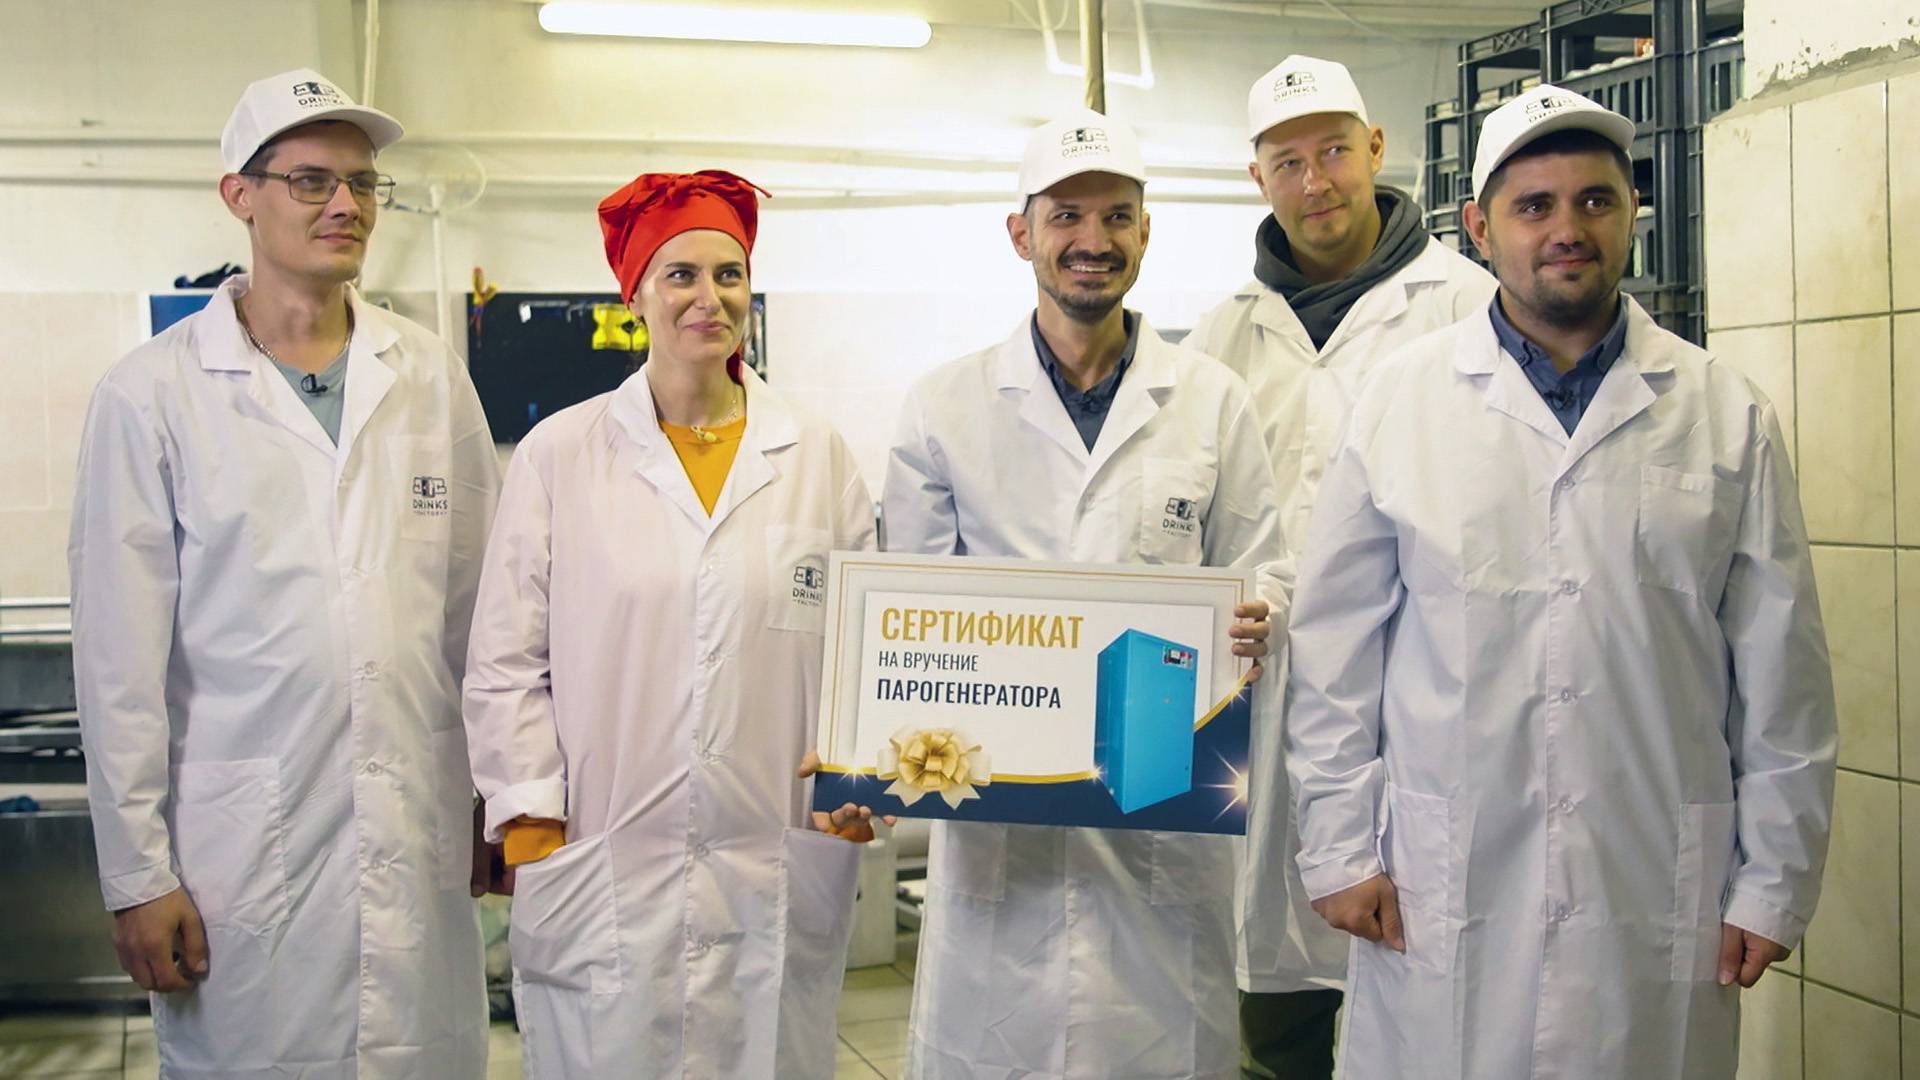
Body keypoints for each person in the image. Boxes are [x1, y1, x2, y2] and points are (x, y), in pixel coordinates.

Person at [1284, 85, 1837, 1079]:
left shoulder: (1724, 412)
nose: (1567, 229)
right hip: (1442, 878)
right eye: (1534, 206)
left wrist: (1773, 881)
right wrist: (1337, 846)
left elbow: (1782, 673)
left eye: (1595, 201)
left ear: (1632, 215)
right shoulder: (1401, 401)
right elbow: (1335, 649)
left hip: (1651, 881)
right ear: (1479, 228)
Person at [68, 68, 499, 1077]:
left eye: (362, 182)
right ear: (240, 196)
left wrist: (496, 791)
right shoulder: (152, 396)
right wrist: (137, 876)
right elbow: (119, 667)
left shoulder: (430, 377)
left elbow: (480, 620)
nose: (345, 204)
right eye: (311, 181)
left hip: (415, 832)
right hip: (242, 855)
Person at [886, 111, 1283, 1080]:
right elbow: (904, 617)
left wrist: (1261, 615)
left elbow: (1266, 566)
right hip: (1001, 825)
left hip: (1164, 814)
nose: (1092, 240)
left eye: (1115, 216)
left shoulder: (1212, 400)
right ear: (1021, 234)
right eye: (1065, 215)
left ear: (1146, 232)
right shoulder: (945, 406)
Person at [462, 170, 882, 1079]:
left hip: (772, 857)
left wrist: (854, 780)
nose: (708, 297)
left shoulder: (818, 455)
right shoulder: (560, 453)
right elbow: (506, 661)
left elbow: (863, 649)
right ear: (636, 295)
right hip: (607, 862)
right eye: (680, 274)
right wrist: (532, 825)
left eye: (729, 275)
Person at [1186, 55, 1495, 1079]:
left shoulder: (1467, 306)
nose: (1315, 181)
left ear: (1376, 149)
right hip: (1266, 707)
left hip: (1426, 702)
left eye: (1333, 152)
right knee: (1276, 1003)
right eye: (1288, 162)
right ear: (1258, 178)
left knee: (1426, 995)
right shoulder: (1224, 334)